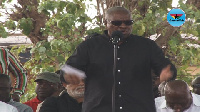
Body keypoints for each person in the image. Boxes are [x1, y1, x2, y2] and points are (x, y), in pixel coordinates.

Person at [62, 6, 177, 112]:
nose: (123, 26)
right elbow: (69, 68)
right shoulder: (89, 46)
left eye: (128, 22)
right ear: (106, 22)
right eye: (117, 23)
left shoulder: (146, 46)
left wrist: (167, 72)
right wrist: (69, 74)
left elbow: (165, 66)